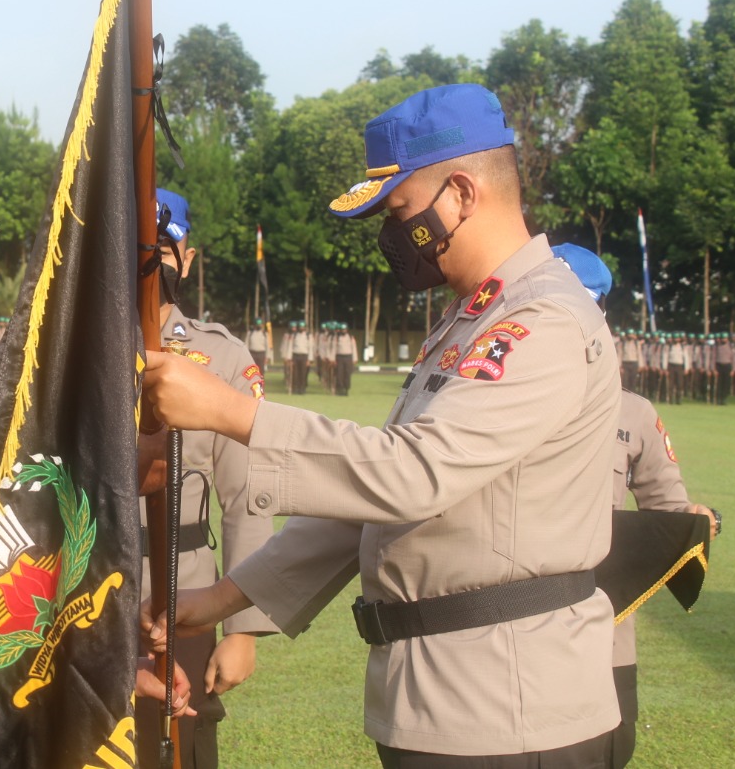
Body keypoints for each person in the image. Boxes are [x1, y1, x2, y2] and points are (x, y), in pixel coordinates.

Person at [142, 84, 622, 766]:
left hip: (512, 711)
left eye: (399, 212)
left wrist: (230, 412)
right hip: (442, 699)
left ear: (460, 193)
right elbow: (365, 505)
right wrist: (223, 595)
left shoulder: (538, 322)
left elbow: (410, 474)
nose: (391, 237)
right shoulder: (468, 321)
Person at [551, 242, 718, 768]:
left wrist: (697, 524)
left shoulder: (633, 413)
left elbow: (670, 513)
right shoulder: (483, 400)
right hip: (500, 627)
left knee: (609, 751)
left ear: (595, 314)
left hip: (604, 629)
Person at [135, 189, 276, 769]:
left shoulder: (220, 357)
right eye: (140, 250)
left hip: (186, 591)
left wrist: (242, 627)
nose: (153, 265)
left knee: (181, 743)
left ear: (186, 262)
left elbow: (247, 498)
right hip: (88, 589)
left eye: (166, 251)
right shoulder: (71, 353)